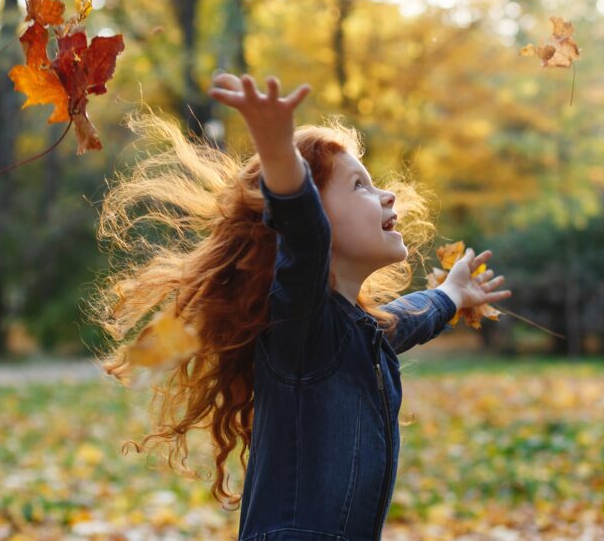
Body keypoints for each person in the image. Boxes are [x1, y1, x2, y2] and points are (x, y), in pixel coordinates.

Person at [92, 71, 510, 540]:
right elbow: (305, 230)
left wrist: (454, 295)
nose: (387, 194)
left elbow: (412, 316)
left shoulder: (359, 330)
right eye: (359, 187)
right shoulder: (301, 325)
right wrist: (277, 149)